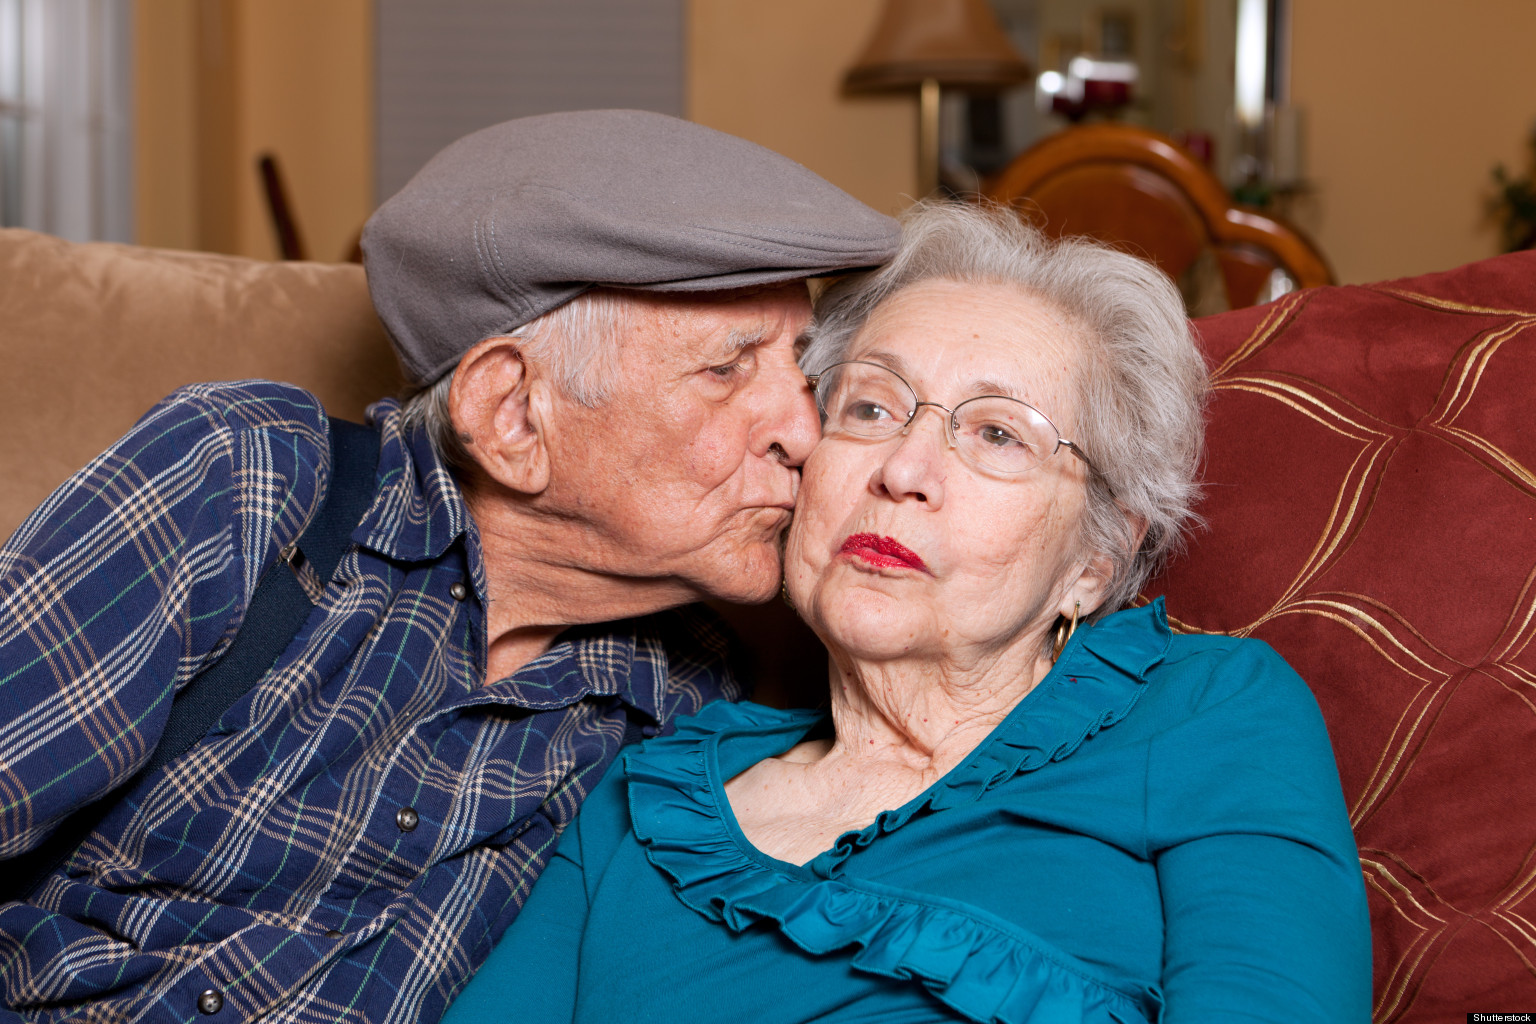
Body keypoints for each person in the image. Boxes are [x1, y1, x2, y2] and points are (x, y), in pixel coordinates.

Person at [0, 111, 899, 1022]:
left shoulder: (687, 708)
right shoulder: (246, 483)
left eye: (798, 367)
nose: (804, 431)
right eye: (725, 370)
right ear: (512, 416)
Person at [442, 201, 1373, 1024]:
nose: (903, 471)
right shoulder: (651, 799)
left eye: (998, 433)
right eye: (873, 408)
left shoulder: (1206, 711)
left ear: (1096, 559)